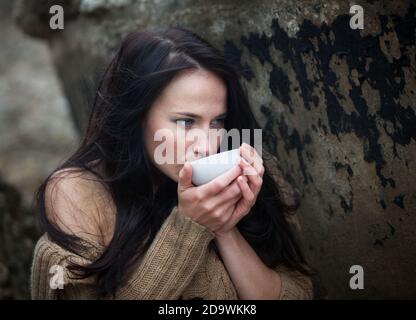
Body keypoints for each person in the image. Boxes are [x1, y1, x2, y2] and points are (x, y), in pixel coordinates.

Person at [30, 27, 314, 299]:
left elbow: (299, 292)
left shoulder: (241, 168)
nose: (206, 145)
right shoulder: (77, 194)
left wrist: (224, 227)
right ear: (137, 117)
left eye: (217, 121)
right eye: (185, 122)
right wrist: (188, 227)